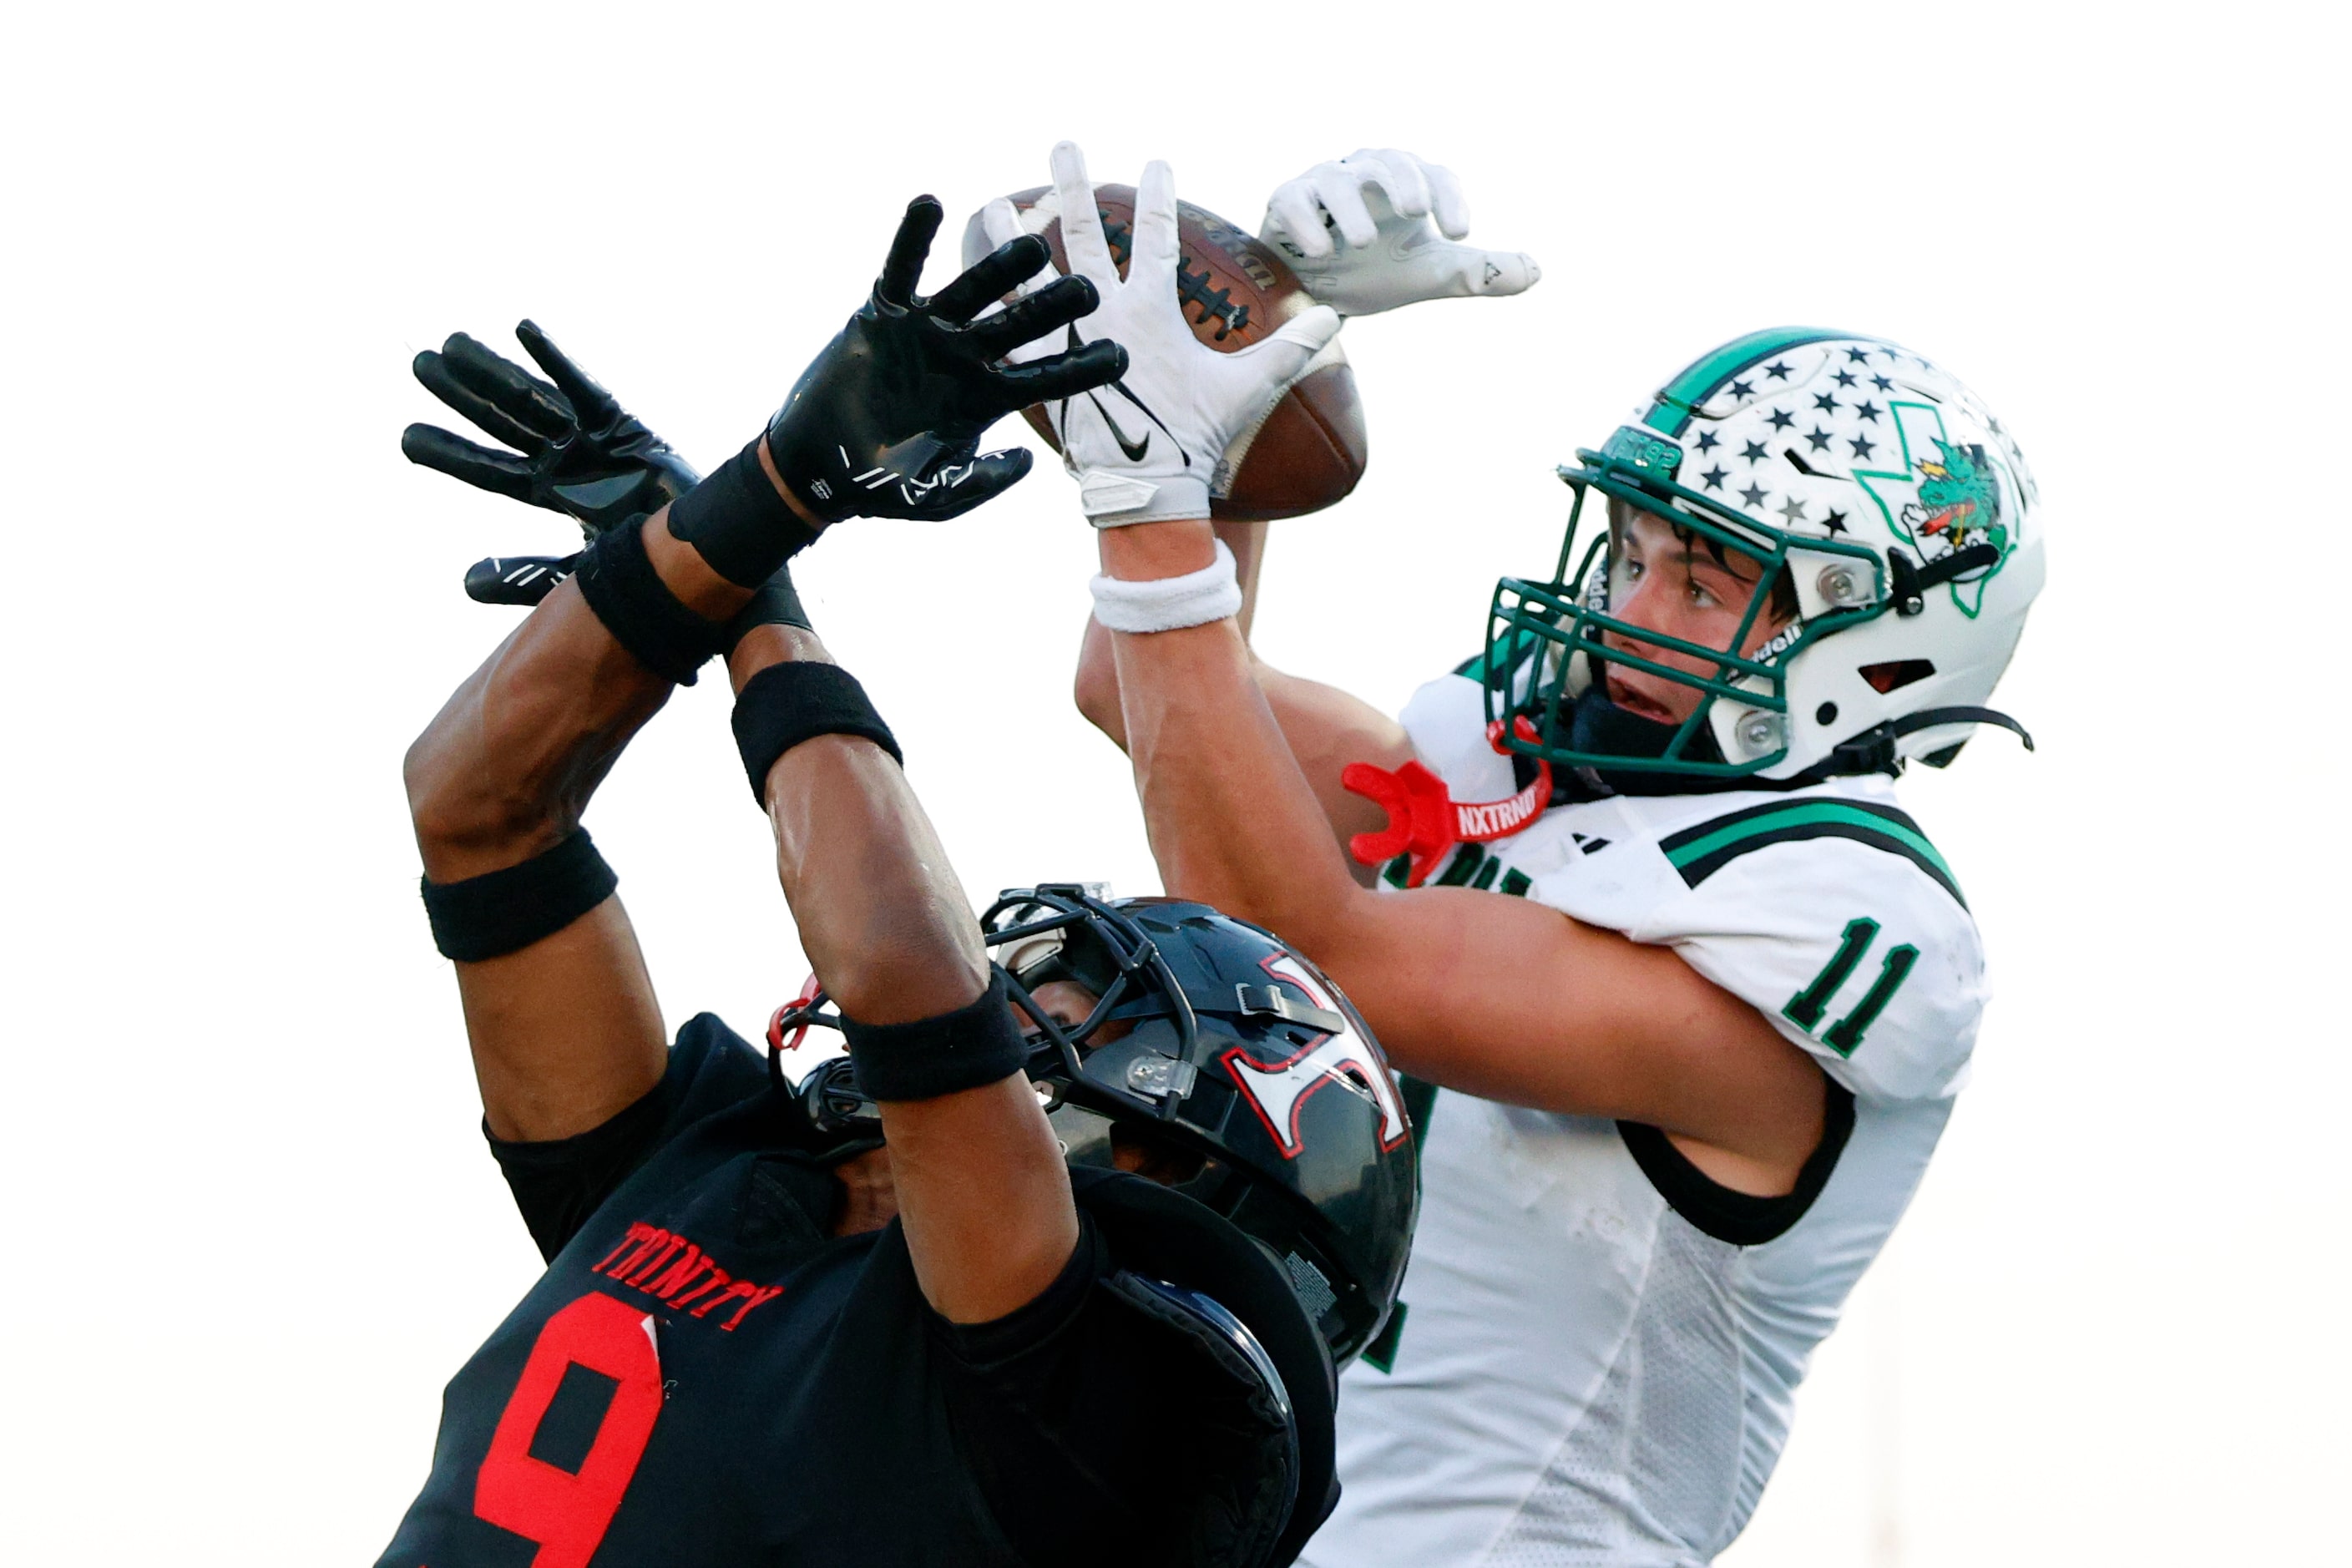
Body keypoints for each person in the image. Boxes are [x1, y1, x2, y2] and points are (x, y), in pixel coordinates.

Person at [991, 144, 2045, 1565]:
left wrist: (1160, 502)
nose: (1633, 599)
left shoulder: (1832, 918)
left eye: (1703, 576)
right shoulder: (1523, 777)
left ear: (1872, 638)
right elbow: (1149, 690)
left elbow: (1302, 943)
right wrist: (1257, 375)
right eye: (1633, 545)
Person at [379, 196, 1416, 1568]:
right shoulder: (718, 1164)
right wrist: (716, 523)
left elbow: (906, 978)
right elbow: (477, 813)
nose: (1005, 983)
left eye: (1060, 990)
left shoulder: (1084, 1403)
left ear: (1174, 1135)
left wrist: (767, 532)